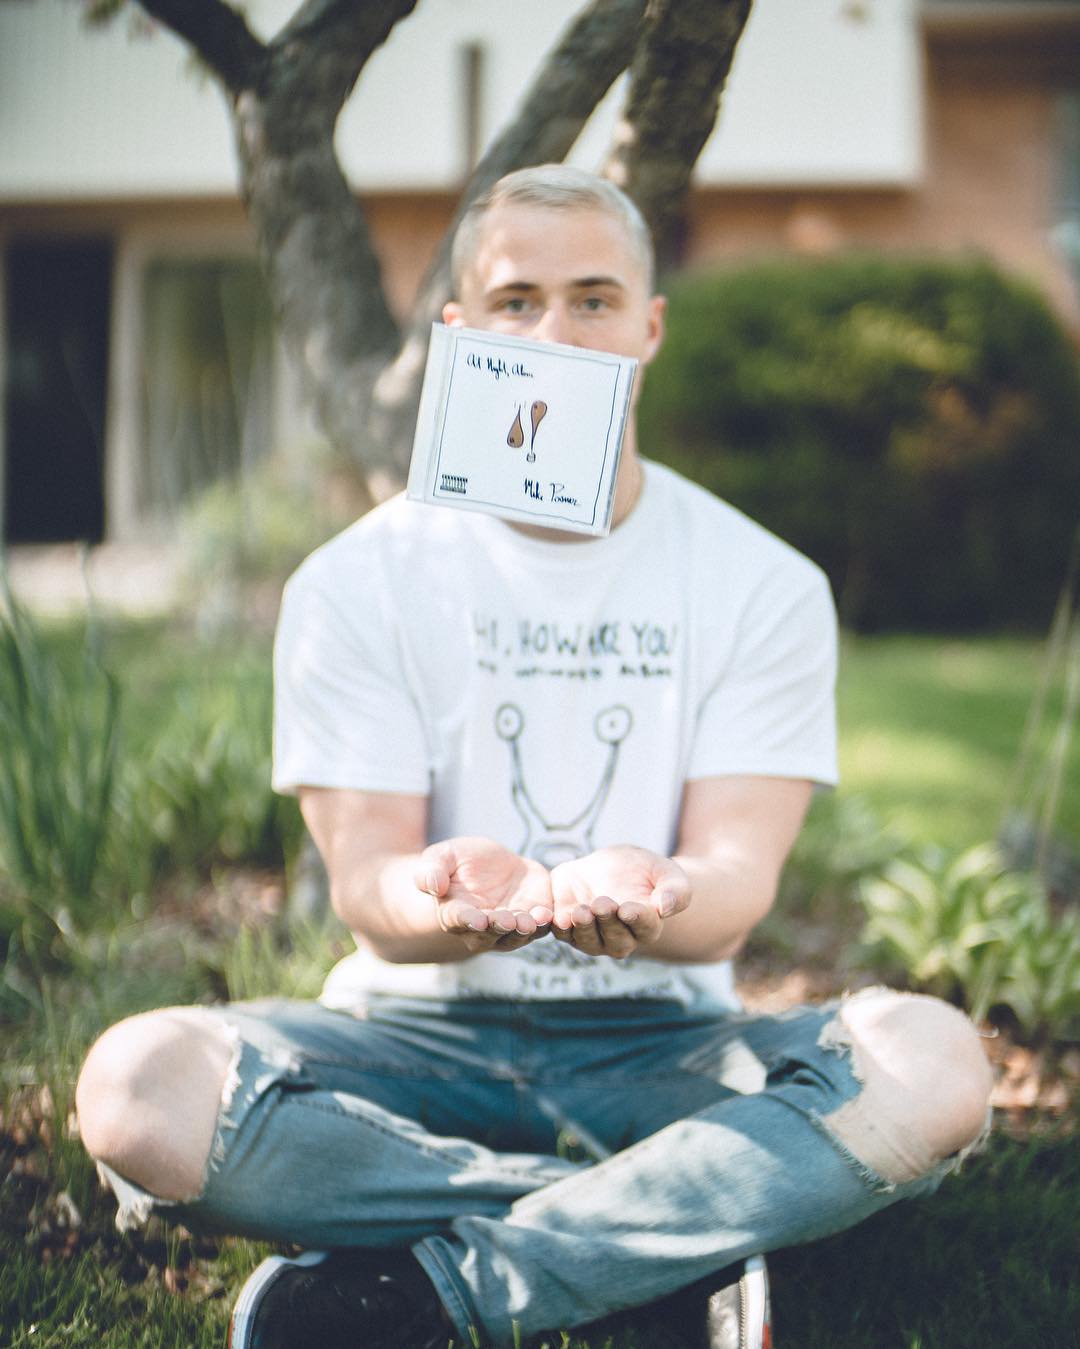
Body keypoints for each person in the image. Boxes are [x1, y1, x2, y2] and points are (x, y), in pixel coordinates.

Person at [75, 165, 993, 1349]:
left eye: (595, 298)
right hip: (408, 1036)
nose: (554, 332)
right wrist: (438, 890)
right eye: (516, 301)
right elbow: (369, 891)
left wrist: (660, 892)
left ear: (650, 328)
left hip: (665, 1040)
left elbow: (729, 895)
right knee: (135, 1085)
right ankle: (658, 1237)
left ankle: (424, 1288)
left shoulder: (764, 582)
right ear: (458, 332)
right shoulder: (357, 580)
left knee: (932, 1063)